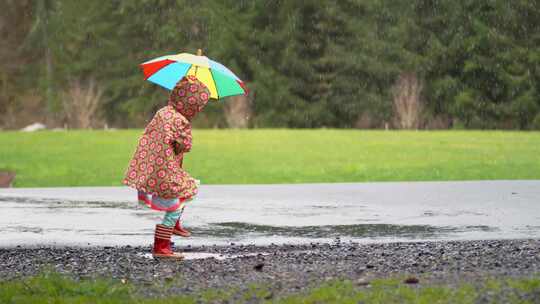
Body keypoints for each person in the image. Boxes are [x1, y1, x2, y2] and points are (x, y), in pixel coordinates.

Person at [123, 75, 210, 259]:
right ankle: (161, 247)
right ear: (191, 106)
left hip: (151, 168)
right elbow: (185, 145)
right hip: (165, 172)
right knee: (176, 204)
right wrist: (186, 132)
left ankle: (173, 227)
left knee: (187, 189)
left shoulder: (163, 112)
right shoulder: (181, 120)